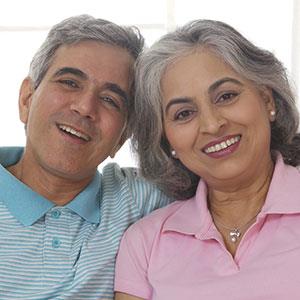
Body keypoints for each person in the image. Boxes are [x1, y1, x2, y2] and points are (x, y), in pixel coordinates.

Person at [114, 19, 300, 300]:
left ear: (267, 100)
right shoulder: (145, 242)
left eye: (226, 96)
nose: (212, 125)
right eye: (184, 114)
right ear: (166, 140)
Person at [0, 15, 171, 299]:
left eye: (110, 100)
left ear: (123, 137)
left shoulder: (139, 199)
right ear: (27, 99)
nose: (85, 107)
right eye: (69, 82)